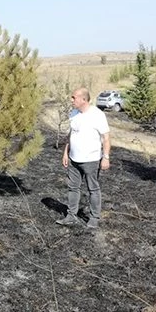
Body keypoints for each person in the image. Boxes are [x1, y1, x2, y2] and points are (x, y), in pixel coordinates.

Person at [56, 88, 110, 229]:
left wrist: (106, 157)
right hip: (74, 159)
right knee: (73, 188)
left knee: (93, 189)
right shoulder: (73, 113)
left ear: (84, 100)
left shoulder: (97, 115)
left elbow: (106, 138)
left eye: (74, 98)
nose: (71, 100)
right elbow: (71, 135)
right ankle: (71, 216)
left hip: (91, 160)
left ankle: (94, 218)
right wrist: (65, 153)